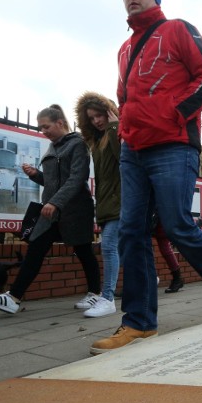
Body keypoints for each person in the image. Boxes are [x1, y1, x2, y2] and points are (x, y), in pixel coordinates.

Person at [91, 0, 202, 355]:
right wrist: (124, 131)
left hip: (174, 143)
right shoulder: (123, 50)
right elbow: (126, 99)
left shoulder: (177, 29)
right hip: (133, 149)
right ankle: (138, 323)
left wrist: (175, 113)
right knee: (131, 232)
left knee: (175, 223)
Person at [0, 105, 101, 314]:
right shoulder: (53, 147)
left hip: (75, 209)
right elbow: (54, 182)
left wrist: (55, 202)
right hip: (52, 211)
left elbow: (77, 178)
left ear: (60, 123)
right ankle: (13, 298)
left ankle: (95, 294)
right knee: (35, 249)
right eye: (40, 128)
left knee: (83, 251)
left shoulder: (77, 144)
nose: (43, 131)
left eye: (46, 126)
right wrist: (36, 175)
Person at [75, 93, 120, 317]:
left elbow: (124, 157)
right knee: (120, 249)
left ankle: (108, 298)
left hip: (120, 201)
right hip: (106, 203)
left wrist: (114, 128)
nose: (97, 121)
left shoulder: (117, 131)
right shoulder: (96, 141)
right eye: (92, 118)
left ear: (108, 112)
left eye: (99, 115)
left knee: (109, 247)